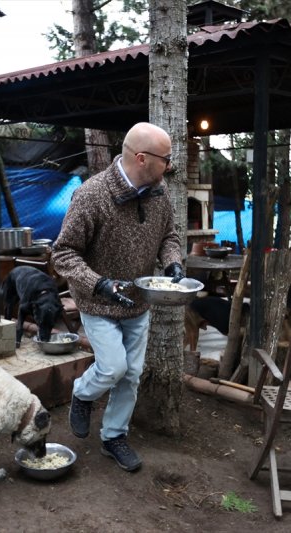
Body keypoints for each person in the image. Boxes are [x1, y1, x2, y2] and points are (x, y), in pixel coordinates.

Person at [51, 122, 185, 471]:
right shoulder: (92, 195)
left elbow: (169, 237)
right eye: (166, 159)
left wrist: (172, 263)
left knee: (131, 375)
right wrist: (99, 283)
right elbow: (63, 253)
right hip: (98, 301)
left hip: (138, 302)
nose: (170, 165)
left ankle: (113, 436)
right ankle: (82, 393)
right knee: (113, 367)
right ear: (142, 158)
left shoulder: (159, 192)